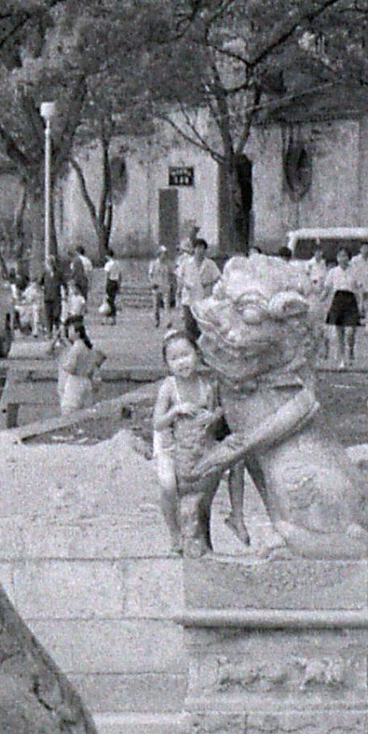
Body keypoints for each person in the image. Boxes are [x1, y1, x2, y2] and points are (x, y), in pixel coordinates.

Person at [152, 330, 245, 555]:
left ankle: (237, 515)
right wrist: (175, 410)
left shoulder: (208, 386)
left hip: (201, 443)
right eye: (174, 359)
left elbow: (216, 418)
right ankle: (174, 532)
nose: (181, 362)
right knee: (167, 484)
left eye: (185, 355)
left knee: (238, 460)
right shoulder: (169, 387)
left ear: (197, 354)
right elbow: (157, 423)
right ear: (167, 364)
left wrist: (212, 417)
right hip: (171, 444)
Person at [322, 248, 360, 369]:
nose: (342, 259)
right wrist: (319, 301)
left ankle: (351, 349)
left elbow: (359, 289)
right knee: (339, 334)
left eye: (344, 256)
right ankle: (341, 360)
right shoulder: (333, 272)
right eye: (340, 256)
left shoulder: (354, 271)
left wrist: (361, 304)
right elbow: (327, 289)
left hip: (351, 300)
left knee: (350, 332)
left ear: (348, 258)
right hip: (338, 299)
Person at [57, 320, 105, 416]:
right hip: (86, 380)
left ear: (77, 333)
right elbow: (99, 359)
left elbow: (71, 367)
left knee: (69, 408)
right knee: (85, 410)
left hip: (75, 380)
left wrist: (64, 366)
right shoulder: (88, 347)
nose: (68, 333)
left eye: (71, 331)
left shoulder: (76, 348)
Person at [176, 236, 220, 339]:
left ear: (205, 250)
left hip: (204, 299)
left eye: (202, 248)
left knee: (202, 325)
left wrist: (208, 283)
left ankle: (200, 346)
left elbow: (218, 277)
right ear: (193, 250)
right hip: (189, 299)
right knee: (189, 324)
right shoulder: (186, 263)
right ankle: (192, 346)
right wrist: (185, 284)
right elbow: (179, 276)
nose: (200, 251)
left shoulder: (210, 264)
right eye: (198, 248)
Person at [346, 242, 368, 365]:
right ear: (360, 249)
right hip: (357, 288)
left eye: (367, 248)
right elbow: (353, 273)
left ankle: (367, 326)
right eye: (363, 248)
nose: (365, 250)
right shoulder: (355, 260)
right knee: (359, 307)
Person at [148, 246, 175, 327]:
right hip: (156, 286)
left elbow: (172, 274)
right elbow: (150, 275)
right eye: (163, 253)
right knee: (156, 305)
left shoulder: (168, 264)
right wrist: (152, 282)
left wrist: (172, 284)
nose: (164, 255)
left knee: (167, 305)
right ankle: (156, 320)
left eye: (165, 254)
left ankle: (168, 321)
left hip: (165, 286)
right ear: (159, 254)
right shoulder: (153, 264)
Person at [101, 252, 122, 323]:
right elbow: (120, 275)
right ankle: (113, 318)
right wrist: (119, 285)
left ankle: (106, 318)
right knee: (112, 300)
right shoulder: (117, 264)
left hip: (110, 282)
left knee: (108, 300)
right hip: (115, 282)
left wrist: (105, 285)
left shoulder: (108, 264)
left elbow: (106, 275)